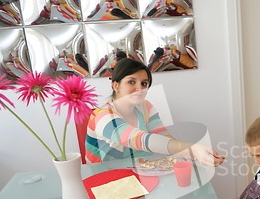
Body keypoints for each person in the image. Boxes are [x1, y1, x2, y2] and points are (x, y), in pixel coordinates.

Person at [85, 58, 224, 166]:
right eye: (131, 82)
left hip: (140, 173)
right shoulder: (101, 116)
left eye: (144, 83)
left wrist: (195, 155)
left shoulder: (145, 106)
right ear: (116, 86)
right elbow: (139, 140)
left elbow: (164, 138)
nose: (139, 88)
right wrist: (192, 150)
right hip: (106, 181)